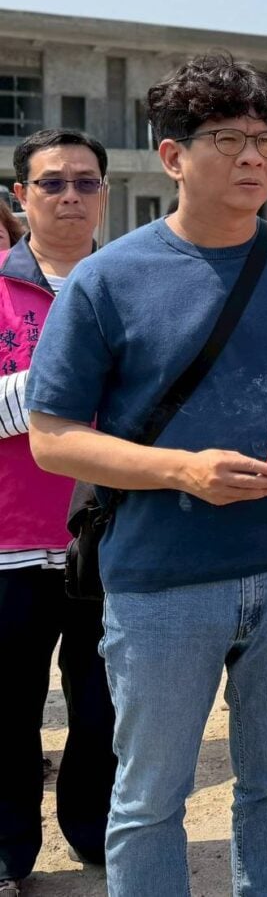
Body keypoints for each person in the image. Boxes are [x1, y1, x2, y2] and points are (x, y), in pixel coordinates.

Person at [25, 54, 267, 896]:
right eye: (228, 139)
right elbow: (52, 437)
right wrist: (181, 469)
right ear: (173, 155)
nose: (254, 157)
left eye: (265, 140)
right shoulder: (109, 280)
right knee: (150, 797)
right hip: (160, 579)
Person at [0, 129, 116, 896]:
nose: (70, 195)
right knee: (7, 714)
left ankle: (94, 831)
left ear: (106, 193)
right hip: (9, 544)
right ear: (21, 198)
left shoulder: (135, 284)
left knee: (103, 708)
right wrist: (69, 383)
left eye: (84, 182)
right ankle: (9, 854)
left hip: (112, 536)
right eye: (52, 184)